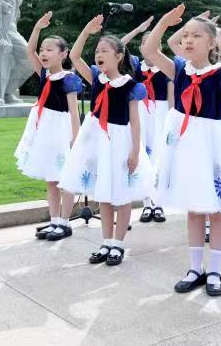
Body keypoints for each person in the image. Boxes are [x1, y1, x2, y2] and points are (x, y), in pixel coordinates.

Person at [143, 5, 221, 297]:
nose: (189, 40)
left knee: (216, 208)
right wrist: (167, 22)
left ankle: (216, 269)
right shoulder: (179, 69)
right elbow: (150, 50)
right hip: (185, 146)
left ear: (212, 43)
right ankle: (195, 267)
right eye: (186, 36)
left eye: (196, 36)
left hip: (213, 146)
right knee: (194, 208)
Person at [59, 16, 154, 266]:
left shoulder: (131, 85)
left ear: (119, 56)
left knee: (120, 193)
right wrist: (87, 31)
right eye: (98, 50)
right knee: (104, 192)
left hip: (120, 141)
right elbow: (76, 56)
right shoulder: (95, 78)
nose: (99, 54)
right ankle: (106, 242)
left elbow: (135, 121)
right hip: (98, 140)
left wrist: (135, 151)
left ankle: (118, 243)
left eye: (105, 51)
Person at [15, 12, 82, 241]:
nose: (43, 53)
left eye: (50, 49)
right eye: (43, 49)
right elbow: (29, 50)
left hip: (61, 130)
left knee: (66, 177)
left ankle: (64, 222)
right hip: (44, 130)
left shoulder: (69, 78)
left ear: (63, 54)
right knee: (51, 178)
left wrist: (76, 140)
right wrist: (37, 28)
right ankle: (54, 221)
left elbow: (74, 112)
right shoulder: (44, 74)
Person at [121, 17, 170, 223]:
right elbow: (119, 46)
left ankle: (158, 204)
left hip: (160, 114)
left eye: (153, 43)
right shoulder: (134, 67)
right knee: (143, 157)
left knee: (159, 157)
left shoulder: (166, 68)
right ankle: (146, 204)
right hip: (140, 114)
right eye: (144, 43)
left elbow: (173, 98)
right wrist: (138, 28)